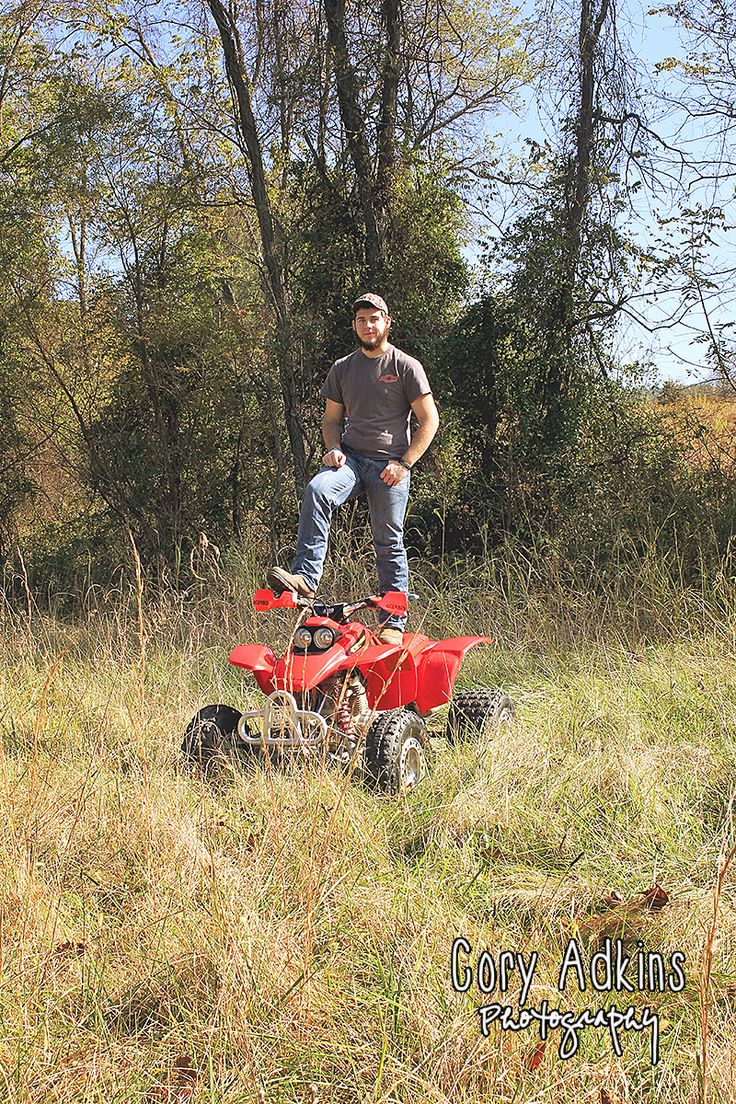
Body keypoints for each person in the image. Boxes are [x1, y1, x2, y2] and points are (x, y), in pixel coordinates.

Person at [268, 293, 439, 645]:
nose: (368, 325)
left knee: (388, 539)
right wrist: (332, 449)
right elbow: (332, 420)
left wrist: (404, 463)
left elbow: (429, 421)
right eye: (361, 320)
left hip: (391, 465)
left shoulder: (406, 366)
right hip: (352, 459)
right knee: (317, 489)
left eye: (374, 319)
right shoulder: (342, 368)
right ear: (355, 326)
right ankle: (305, 578)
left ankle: (393, 620)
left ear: (387, 322)